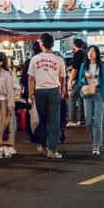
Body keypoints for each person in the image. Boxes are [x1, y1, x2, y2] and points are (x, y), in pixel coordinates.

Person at [27, 32, 66, 160]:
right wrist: (62, 91)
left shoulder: (35, 59)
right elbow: (62, 78)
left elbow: (31, 78)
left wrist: (30, 94)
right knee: (54, 121)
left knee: (42, 120)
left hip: (39, 91)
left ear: (42, 44)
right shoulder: (59, 59)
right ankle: (52, 150)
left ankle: (43, 146)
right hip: (54, 90)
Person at [79, 45, 104, 157]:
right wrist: (85, 78)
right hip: (87, 93)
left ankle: (96, 146)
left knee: (98, 121)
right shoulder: (83, 66)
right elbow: (79, 81)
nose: (90, 53)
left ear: (97, 54)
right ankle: (95, 138)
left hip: (98, 93)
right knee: (88, 121)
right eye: (89, 51)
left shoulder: (102, 67)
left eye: (93, 51)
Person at [65, 38, 87, 127]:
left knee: (72, 98)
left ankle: (73, 120)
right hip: (85, 79)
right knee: (81, 99)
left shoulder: (78, 54)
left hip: (79, 79)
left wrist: (70, 81)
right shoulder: (85, 53)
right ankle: (82, 120)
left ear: (75, 45)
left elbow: (75, 69)